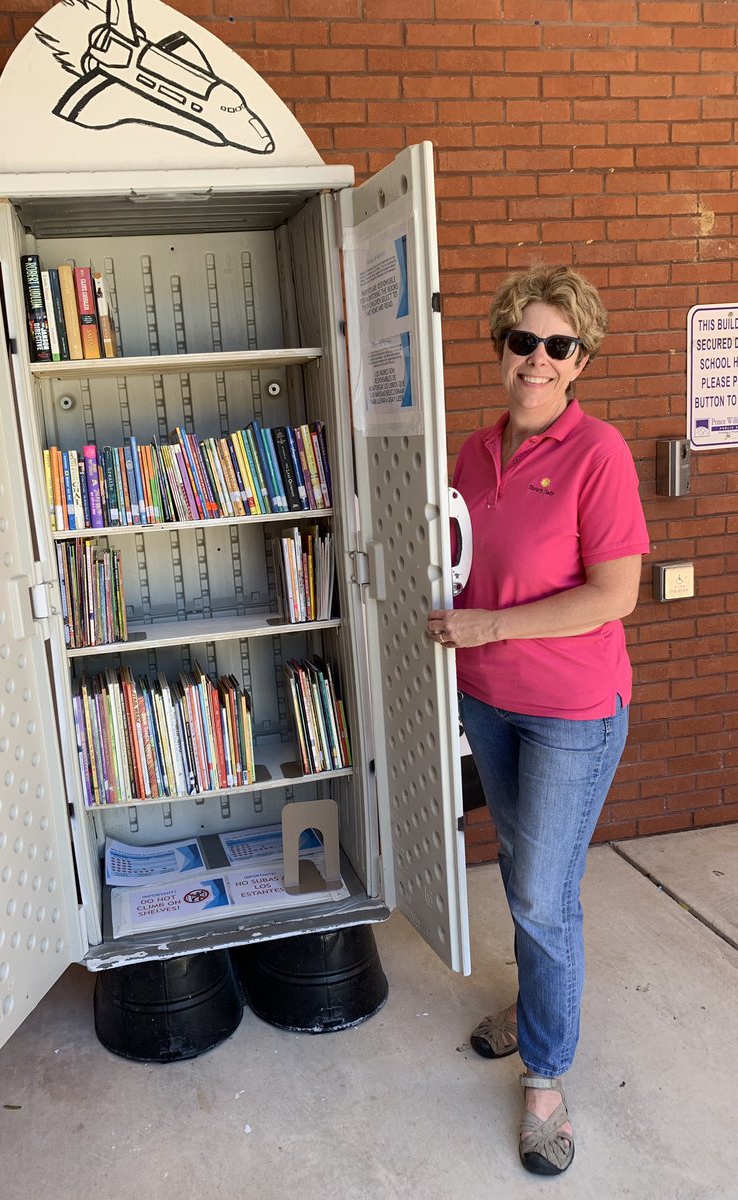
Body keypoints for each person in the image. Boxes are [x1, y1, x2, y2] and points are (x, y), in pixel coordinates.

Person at [427, 264, 648, 1176]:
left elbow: (615, 594)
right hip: (488, 698)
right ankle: (534, 1006)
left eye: (560, 346)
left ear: (581, 359)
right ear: (502, 346)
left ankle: (546, 1076)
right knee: (526, 870)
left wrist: (490, 623)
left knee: (540, 894)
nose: (539, 360)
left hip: (570, 710)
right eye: (525, 341)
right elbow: (458, 562)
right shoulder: (473, 455)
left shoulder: (599, 454)